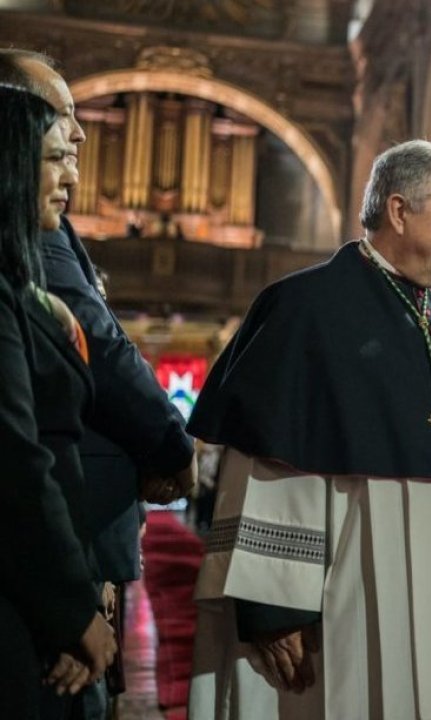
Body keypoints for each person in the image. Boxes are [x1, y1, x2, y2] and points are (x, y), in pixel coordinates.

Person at [185, 140, 431, 719]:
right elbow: (268, 462)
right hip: (339, 610)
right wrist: (271, 606)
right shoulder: (305, 306)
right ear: (399, 210)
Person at [6, 48, 197, 719]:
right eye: (58, 130)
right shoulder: (26, 256)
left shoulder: (41, 242)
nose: (79, 140)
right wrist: (65, 607)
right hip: (50, 560)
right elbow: (19, 456)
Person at [0, 74, 117, 720]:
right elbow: (18, 460)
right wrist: (72, 611)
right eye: (54, 159)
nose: (71, 176)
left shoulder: (17, 287)